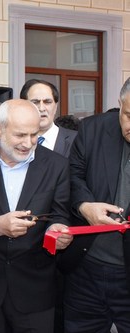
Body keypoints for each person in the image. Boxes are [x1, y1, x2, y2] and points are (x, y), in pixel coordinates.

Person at [0, 99, 73, 333]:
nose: (28, 143)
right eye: (20, 135)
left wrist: (56, 231)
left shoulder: (56, 165)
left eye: (34, 135)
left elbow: (60, 214)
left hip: (35, 290)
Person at [59, 77, 130, 332]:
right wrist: (84, 206)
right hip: (87, 267)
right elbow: (73, 175)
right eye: (129, 115)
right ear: (120, 105)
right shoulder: (92, 129)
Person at [20, 79, 77, 158]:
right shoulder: (14, 140)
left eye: (47, 102)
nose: (42, 108)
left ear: (56, 106)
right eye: (35, 102)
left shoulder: (76, 140)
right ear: (23, 106)